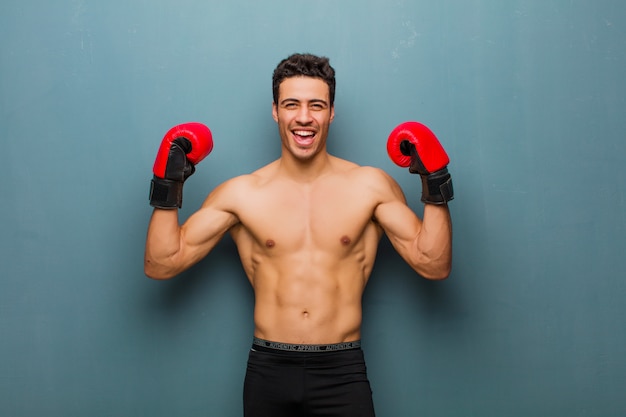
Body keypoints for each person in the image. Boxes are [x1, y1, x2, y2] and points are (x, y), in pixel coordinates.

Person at [144, 53, 453, 417]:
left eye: (316, 106)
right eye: (292, 105)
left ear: (331, 112)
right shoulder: (242, 194)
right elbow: (162, 264)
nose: (304, 117)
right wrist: (169, 185)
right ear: (275, 111)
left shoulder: (369, 187)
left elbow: (433, 265)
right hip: (268, 370)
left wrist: (434, 182)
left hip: (342, 371)